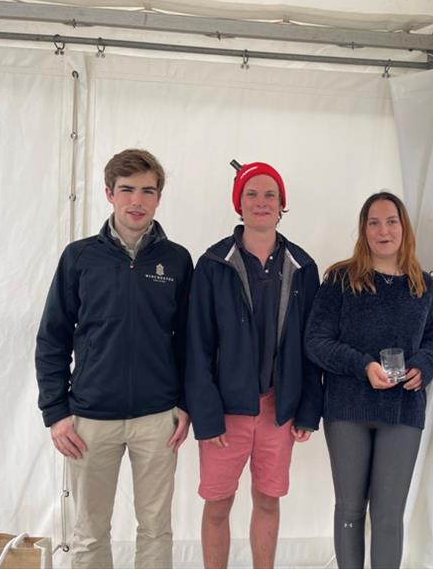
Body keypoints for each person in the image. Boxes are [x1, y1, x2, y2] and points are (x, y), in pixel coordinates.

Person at [35, 148, 193, 569]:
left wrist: (184, 404)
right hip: (88, 420)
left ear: (159, 197)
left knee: (156, 529)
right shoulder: (79, 257)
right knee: (89, 534)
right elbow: (52, 338)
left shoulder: (176, 260)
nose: (136, 201)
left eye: (147, 191)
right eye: (126, 190)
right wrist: (56, 412)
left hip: (157, 418)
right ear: (109, 193)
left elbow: (188, 342)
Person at [185, 161, 322, 569]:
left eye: (270, 195)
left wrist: (308, 410)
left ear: (282, 204)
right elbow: (197, 346)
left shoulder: (303, 266)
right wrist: (207, 417)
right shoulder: (212, 264)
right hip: (226, 412)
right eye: (252, 194)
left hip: (278, 410)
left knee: (267, 500)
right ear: (238, 203)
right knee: (217, 504)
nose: (261, 203)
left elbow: (313, 345)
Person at [304, 191, 433, 569]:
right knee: (350, 508)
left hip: (402, 410)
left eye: (391, 221)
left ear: (404, 228)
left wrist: (423, 366)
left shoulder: (422, 286)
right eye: (374, 222)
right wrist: (362, 365)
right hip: (348, 408)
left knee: (388, 515)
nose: (383, 230)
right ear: (363, 230)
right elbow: (316, 342)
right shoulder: (340, 279)